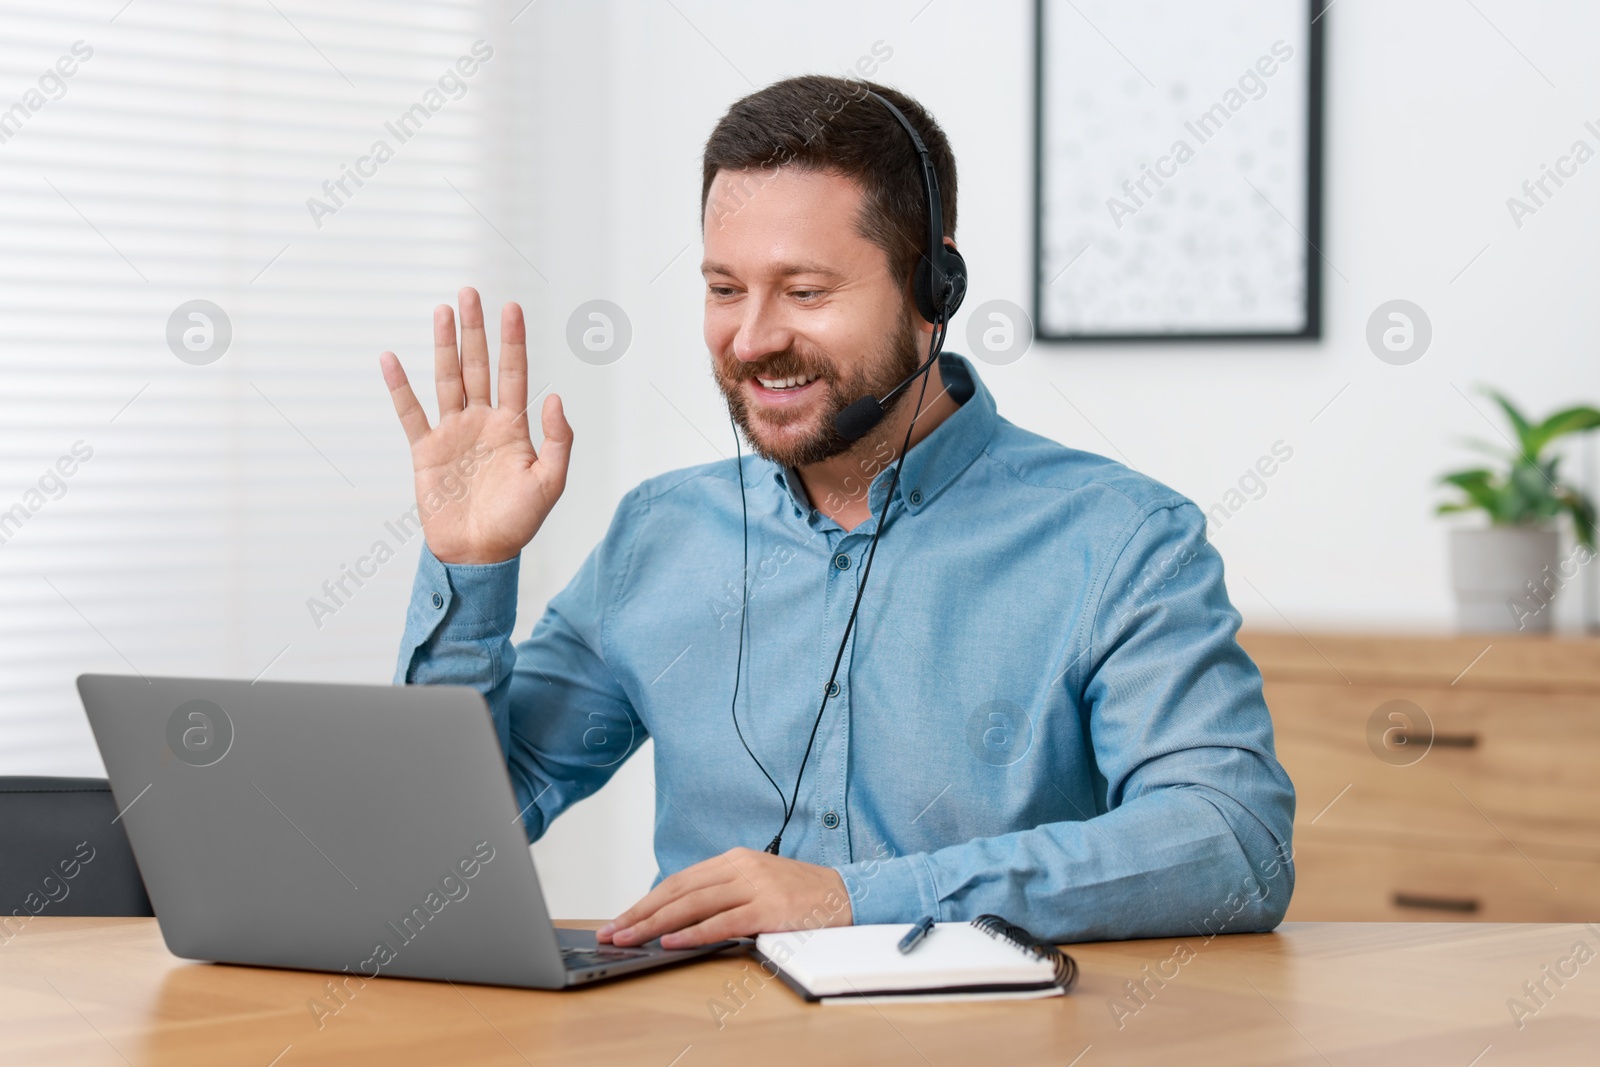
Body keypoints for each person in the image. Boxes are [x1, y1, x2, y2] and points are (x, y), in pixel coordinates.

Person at [378, 75, 1295, 949]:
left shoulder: (1121, 539)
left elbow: (1232, 841)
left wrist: (855, 900)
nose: (751, 338)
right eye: (725, 288)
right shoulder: (660, 536)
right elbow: (450, 845)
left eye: (806, 292)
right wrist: (469, 568)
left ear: (935, 293)